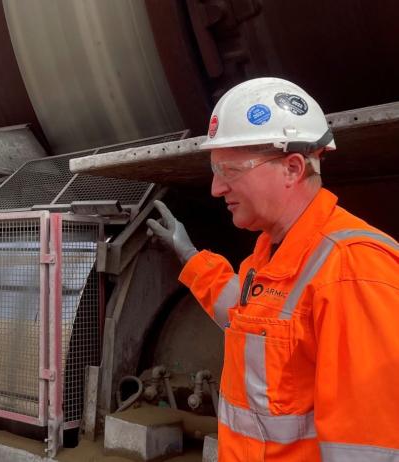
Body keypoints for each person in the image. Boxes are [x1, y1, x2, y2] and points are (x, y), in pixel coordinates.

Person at [147, 78, 399, 461]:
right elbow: (248, 320)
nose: (215, 188)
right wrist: (191, 257)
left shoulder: (353, 269)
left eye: (229, 171)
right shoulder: (269, 252)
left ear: (293, 168)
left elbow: (366, 447)